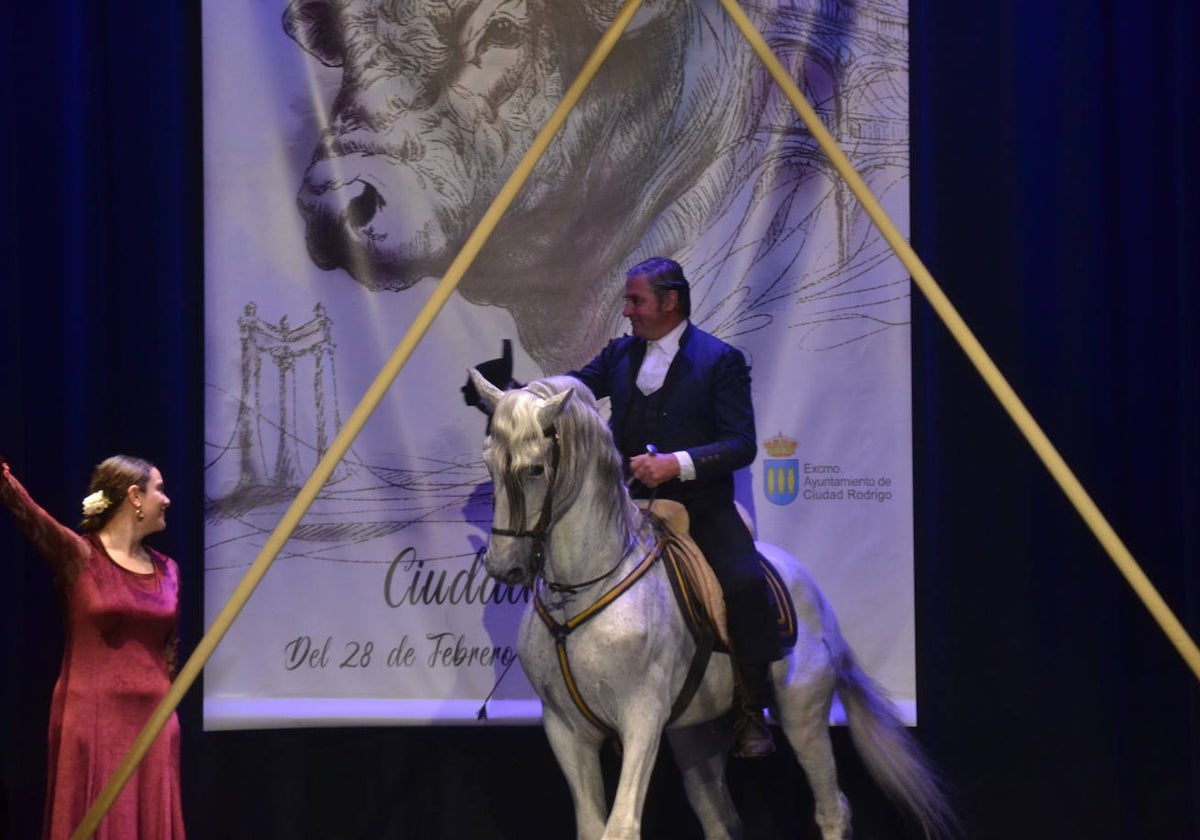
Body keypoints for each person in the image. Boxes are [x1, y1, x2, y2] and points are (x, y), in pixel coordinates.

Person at [567, 256, 783, 758]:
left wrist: (676, 464)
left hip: (699, 507)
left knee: (746, 583)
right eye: (627, 300)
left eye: (635, 300)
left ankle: (751, 709)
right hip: (630, 506)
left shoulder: (719, 359)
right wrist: (526, 396)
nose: (627, 311)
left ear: (669, 301)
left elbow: (741, 444)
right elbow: (575, 388)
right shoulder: (620, 354)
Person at [0, 455, 186, 839]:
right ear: (135, 496)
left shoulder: (169, 569)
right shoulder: (79, 556)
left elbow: (169, 650)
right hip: (94, 718)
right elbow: (26, 510)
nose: (167, 499)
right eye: (159, 489)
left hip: (154, 721)